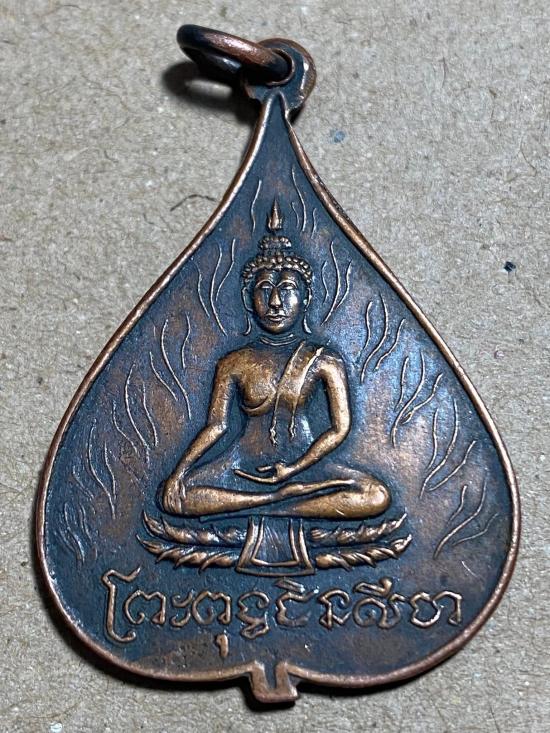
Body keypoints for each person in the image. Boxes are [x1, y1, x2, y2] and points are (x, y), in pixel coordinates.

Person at [162, 201, 391, 521]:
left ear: (305, 298)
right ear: (248, 300)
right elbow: (217, 426)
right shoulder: (235, 362)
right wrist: (179, 472)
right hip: (242, 464)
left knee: (375, 495)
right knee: (176, 499)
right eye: (264, 289)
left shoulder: (324, 360)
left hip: (307, 465)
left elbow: (339, 429)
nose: (274, 302)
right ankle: (276, 501)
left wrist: (294, 469)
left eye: (287, 290)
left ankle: (270, 504)